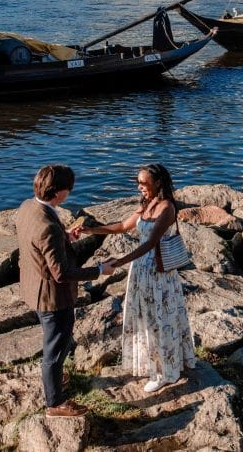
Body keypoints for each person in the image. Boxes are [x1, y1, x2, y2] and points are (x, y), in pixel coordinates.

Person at [75, 163, 196, 393]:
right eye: (138, 183)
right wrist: (90, 231)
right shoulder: (146, 204)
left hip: (158, 273)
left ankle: (165, 372)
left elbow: (151, 243)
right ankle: (156, 365)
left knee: (160, 320)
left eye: (144, 183)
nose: (140, 187)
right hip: (141, 271)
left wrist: (119, 262)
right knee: (145, 320)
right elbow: (121, 227)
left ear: (158, 182)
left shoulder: (167, 208)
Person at [17, 164, 114, 418]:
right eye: (68, 189)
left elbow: (38, 243)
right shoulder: (47, 226)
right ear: (58, 192)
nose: (70, 193)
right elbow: (60, 273)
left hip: (33, 286)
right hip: (52, 297)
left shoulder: (29, 207)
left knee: (54, 343)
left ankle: (56, 378)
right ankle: (55, 403)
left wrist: (65, 237)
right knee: (55, 348)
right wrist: (100, 270)